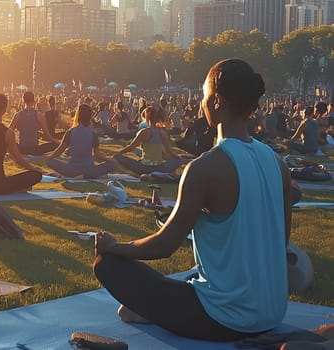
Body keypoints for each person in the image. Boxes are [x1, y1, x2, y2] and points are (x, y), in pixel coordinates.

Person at [93, 59, 292, 341]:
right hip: (273, 311)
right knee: (187, 280)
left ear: (218, 101)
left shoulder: (205, 168)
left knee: (107, 264)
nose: (201, 104)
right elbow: (280, 241)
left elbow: (165, 245)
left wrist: (116, 247)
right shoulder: (277, 163)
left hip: (225, 319)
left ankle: (153, 310)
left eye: (204, 96)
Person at [45, 104, 118, 179]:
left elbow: (60, 150)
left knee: (49, 161)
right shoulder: (93, 134)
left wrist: (49, 157)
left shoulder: (70, 132)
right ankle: (84, 175)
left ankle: (80, 176)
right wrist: (110, 160)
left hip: (72, 170)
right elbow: (97, 154)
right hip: (90, 170)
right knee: (113, 165)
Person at [112, 106, 187, 176]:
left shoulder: (144, 132)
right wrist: (182, 160)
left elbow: (131, 147)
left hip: (144, 168)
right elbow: (170, 152)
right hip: (161, 168)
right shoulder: (163, 133)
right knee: (181, 159)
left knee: (119, 158)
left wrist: (118, 153)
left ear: (147, 117)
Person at [9, 91, 59, 156]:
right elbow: (46, 134)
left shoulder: (18, 115)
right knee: (55, 145)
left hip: (21, 149)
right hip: (35, 149)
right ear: (33, 100)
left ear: (23, 100)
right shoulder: (38, 115)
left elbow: (9, 132)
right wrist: (56, 142)